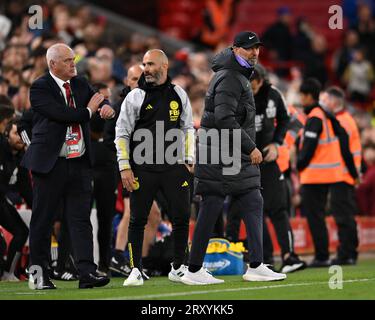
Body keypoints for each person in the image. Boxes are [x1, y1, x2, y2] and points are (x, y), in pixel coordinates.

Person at [181, 31, 286, 285]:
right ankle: (194, 270)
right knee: (212, 207)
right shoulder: (230, 77)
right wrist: (251, 147)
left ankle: (256, 265)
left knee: (252, 199)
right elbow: (224, 118)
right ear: (235, 49)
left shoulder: (235, 74)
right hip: (221, 155)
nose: (255, 53)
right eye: (249, 48)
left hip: (228, 154)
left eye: (257, 48)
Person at [21, 43, 114, 290]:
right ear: (53, 64)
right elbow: (62, 114)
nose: (74, 64)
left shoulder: (80, 83)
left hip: (79, 162)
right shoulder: (40, 87)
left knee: (81, 219)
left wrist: (105, 108)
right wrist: (89, 110)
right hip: (50, 164)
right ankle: (38, 274)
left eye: (74, 59)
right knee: (43, 219)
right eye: (67, 60)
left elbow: (99, 98)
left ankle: (87, 273)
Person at [115, 49, 195, 286]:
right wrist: (124, 166)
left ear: (164, 66)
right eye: (144, 64)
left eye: (150, 64)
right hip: (142, 168)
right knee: (137, 219)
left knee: (181, 218)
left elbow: (187, 127)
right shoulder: (135, 97)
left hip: (173, 167)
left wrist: (189, 159)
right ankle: (135, 269)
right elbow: (122, 132)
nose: (146, 69)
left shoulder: (179, 94)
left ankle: (179, 267)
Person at [226, 64, 306, 273]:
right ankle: (265, 258)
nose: (249, 89)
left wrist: (277, 144)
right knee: (253, 209)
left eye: (252, 86)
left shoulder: (273, 94)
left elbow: (287, 119)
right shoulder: (236, 95)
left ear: (260, 81)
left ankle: (289, 256)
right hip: (245, 160)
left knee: (278, 208)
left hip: (269, 161)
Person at [297, 78, 357, 267]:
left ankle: (323, 255)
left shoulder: (315, 116)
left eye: (302, 95)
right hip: (331, 173)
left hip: (315, 175)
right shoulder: (327, 116)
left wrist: (299, 165)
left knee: (316, 217)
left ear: (307, 96)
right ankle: (336, 254)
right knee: (326, 216)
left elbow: (309, 147)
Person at [320, 86, 360, 265]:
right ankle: (349, 252)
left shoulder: (342, 121)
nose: (323, 102)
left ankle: (347, 253)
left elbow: (344, 151)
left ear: (334, 102)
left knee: (343, 216)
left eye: (326, 99)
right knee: (345, 215)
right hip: (345, 175)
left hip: (343, 176)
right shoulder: (346, 119)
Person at [0, 106, 29, 281]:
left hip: (2, 201)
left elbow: (26, 189)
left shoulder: (21, 158)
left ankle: (8, 272)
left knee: (21, 231)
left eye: (21, 134)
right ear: (6, 135)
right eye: (16, 133)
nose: (19, 138)